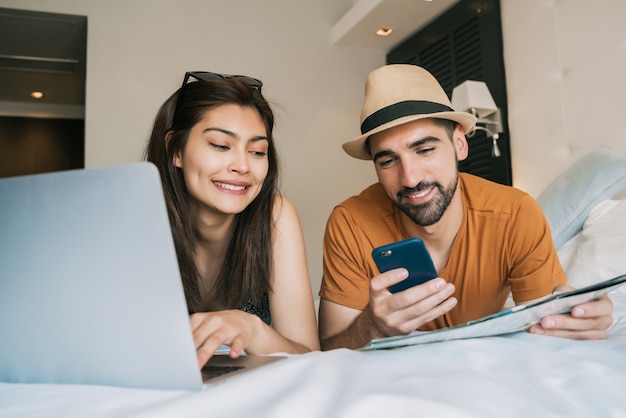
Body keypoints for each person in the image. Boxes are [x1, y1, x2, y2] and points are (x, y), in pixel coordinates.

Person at [318, 64, 614, 350]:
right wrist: (373, 325)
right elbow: (330, 349)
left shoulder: (516, 215)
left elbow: (543, 334)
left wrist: (578, 318)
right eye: (387, 160)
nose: (410, 178)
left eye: (424, 150)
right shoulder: (350, 222)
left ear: (460, 143)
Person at [144, 71, 319, 367]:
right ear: (175, 149)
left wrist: (253, 330)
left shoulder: (275, 217)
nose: (242, 166)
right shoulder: (140, 221)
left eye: (257, 151)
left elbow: (310, 356)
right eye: (221, 146)